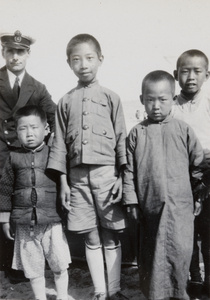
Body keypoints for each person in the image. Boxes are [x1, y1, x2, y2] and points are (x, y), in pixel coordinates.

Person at [47, 34, 128, 300]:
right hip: (77, 179)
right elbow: (59, 144)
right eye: (76, 60)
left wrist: (120, 177)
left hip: (108, 176)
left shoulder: (111, 98)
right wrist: (63, 183)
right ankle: (100, 291)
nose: (84, 64)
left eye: (89, 58)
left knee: (110, 233)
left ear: (100, 59)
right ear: (69, 64)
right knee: (90, 236)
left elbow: (121, 140)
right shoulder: (65, 102)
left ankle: (114, 289)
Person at [123, 70, 210, 300]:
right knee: (151, 254)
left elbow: (198, 165)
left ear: (173, 99)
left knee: (179, 252)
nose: (156, 106)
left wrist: (198, 194)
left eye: (163, 100)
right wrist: (131, 201)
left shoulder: (183, 130)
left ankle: (179, 293)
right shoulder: (136, 134)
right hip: (148, 207)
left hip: (180, 207)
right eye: (150, 100)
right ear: (142, 100)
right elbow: (129, 171)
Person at [0, 30, 57, 283]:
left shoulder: (37, 87)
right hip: (0, 152)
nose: (15, 56)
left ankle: (17, 269)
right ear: (3, 52)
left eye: (20, 51)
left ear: (28, 54)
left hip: (22, 157)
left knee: (19, 208)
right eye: (10, 51)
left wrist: (49, 147)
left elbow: (54, 118)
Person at [0, 106, 71, 300]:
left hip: (52, 221)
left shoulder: (53, 155)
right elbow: (5, 189)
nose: (29, 133)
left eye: (34, 127)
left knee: (59, 263)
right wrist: (5, 218)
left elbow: (65, 181)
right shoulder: (13, 157)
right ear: (16, 132)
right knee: (33, 267)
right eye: (23, 129)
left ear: (46, 129)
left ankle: (62, 296)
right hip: (24, 225)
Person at [172, 49, 210, 298]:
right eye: (185, 71)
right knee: (185, 231)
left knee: (207, 229)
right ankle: (192, 277)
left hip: (208, 176)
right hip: (180, 176)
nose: (191, 77)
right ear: (176, 75)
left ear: (207, 74)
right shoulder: (170, 106)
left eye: (197, 71)